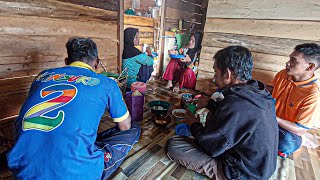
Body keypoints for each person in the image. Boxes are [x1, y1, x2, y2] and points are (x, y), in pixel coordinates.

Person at [6, 37, 141, 179]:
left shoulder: (42, 76)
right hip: (75, 172)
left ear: (66, 62)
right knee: (134, 128)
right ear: (97, 62)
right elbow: (125, 126)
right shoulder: (107, 83)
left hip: (23, 168)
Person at [165, 46, 279, 179]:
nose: (214, 77)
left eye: (215, 72)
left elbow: (212, 147)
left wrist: (193, 124)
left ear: (228, 74)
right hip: (261, 167)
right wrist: (210, 104)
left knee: (174, 145)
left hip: (244, 173)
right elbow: (233, 116)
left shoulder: (237, 104)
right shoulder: (258, 92)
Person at [267, 43, 320, 158]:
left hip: (284, 127)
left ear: (310, 67)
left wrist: (272, 117)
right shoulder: (283, 74)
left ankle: (299, 141)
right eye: (289, 58)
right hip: (269, 118)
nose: (287, 63)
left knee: (287, 144)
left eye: (293, 61)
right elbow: (269, 90)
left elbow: (300, 129)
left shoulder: (312, 95)